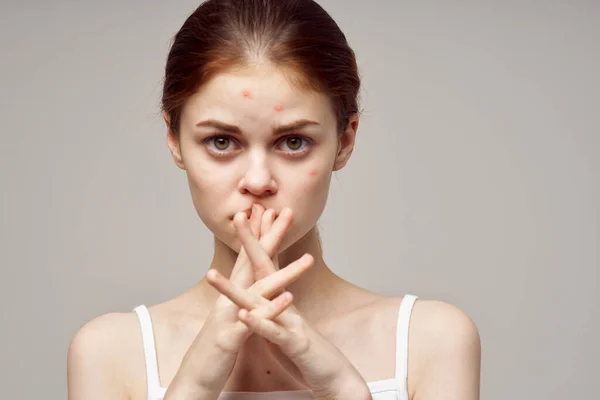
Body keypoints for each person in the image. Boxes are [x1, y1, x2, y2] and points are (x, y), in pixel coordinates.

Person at [67, 0, 481, 399]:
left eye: (294, 141)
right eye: (222, 141)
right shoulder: (111, 352)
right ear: (175, 141)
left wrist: (345, 391)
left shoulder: (432, 340)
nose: (258, 180)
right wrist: (192, 386)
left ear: (345, 140)